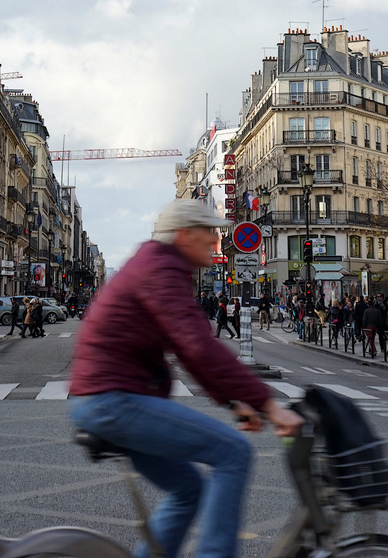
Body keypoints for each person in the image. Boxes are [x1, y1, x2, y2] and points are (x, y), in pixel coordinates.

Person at [70, 200, 302, 558]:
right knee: (233, 451)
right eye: (209, 231)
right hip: (113, 399)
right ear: (184, 235)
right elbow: (198, 348)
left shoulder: (158, 265)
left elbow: (191, 351)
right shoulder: (161, 270)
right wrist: (270, 405)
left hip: (106, 397)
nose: (215, 239)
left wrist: (234, 401)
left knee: (188, 490)